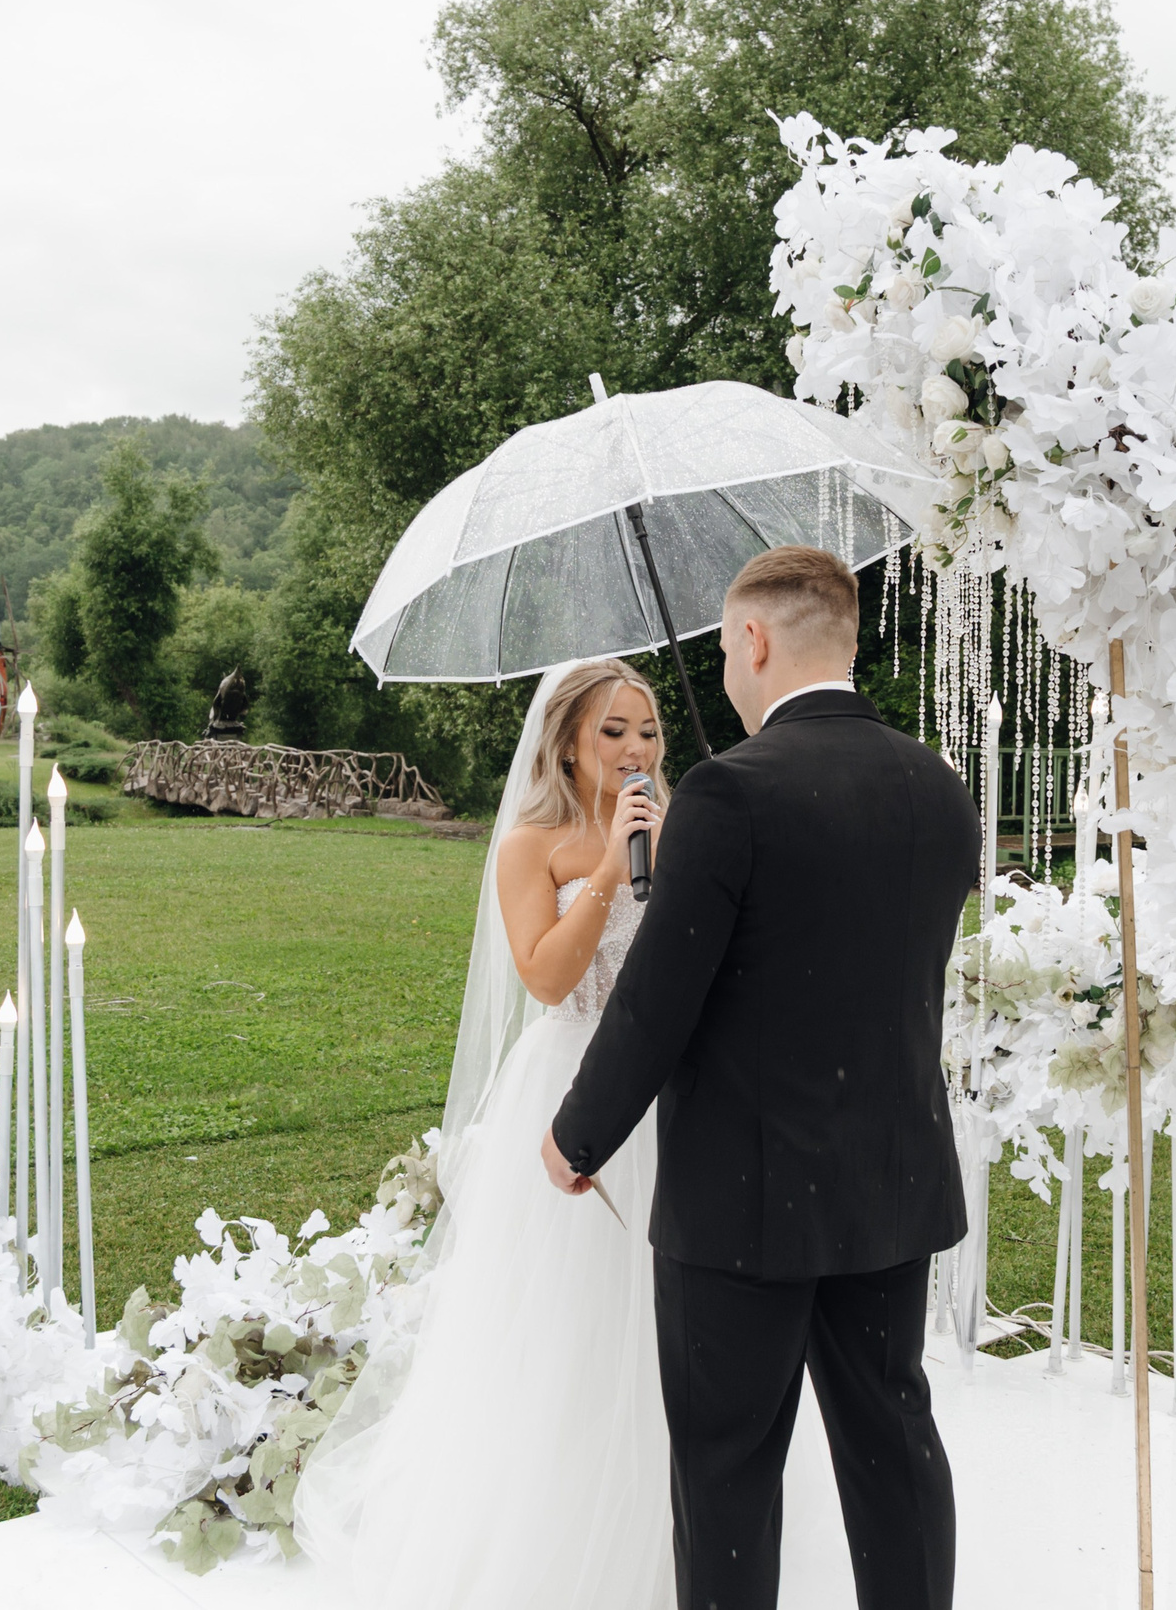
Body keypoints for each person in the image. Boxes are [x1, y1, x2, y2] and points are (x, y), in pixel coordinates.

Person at [291, 656, 849, 1609]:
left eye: (649, 731)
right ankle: (563, 1542)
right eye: (613, 732)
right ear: (566, 743)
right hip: (574, 1084)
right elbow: (547, 979)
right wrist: (603, 867)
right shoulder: (532, 844)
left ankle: (684, 1545)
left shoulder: (688, 826)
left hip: (682, 1092)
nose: (637, 749)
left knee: (686, 1332)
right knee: (573, 1327)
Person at [547, 546, 982, 1610]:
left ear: (751, 639)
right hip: (889, 1181)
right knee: (893, 1440)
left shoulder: (728, 792)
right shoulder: (936, 783)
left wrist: (578, 1136)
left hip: (743, 1204)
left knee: (727, 1466)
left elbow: (658, 1000)